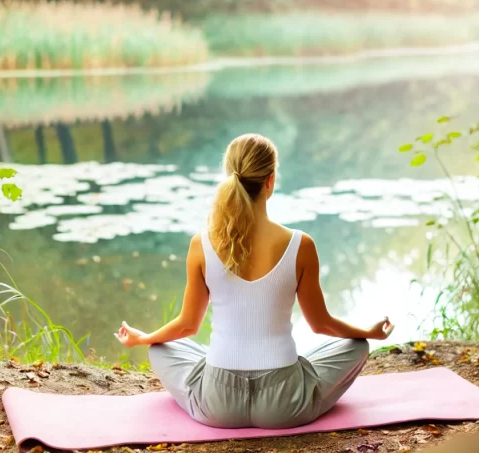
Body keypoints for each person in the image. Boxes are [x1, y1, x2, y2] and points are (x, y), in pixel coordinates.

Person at [115, 133, 394, 429]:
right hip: (284, 405)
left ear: (229, 177)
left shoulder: (202, 244)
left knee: (160, 348)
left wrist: (143, 338)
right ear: (270, 181)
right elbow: (321, 324)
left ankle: (195, 389)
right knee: (357, 347)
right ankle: (305, 396)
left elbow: (187, 326)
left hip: (218, 404)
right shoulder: (301, 245)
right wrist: (368, 333)